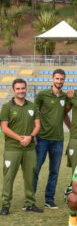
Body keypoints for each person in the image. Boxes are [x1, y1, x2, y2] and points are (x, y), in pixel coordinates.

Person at [0, 79, 42, 215]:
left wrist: (30, 137)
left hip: (29, 149)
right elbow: (4, 128)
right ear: (14, 90)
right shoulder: (7, 107)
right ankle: (5, 205)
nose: (21, 91)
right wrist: (20, 138)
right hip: (12, 148)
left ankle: (30, 204)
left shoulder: (32, 106)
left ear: (26, 89)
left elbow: (37, 125)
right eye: (18, 89)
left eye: (23, 88)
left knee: (30, 177)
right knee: (8, 177)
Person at [34, 69, 68, 209]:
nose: (59, 81)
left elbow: (65, 115)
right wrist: (34, 134)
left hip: (58, 140)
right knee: (35, 169)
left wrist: (73, 130)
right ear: (52, 79)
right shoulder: (42, 95)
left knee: (54, 171)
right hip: (42, 138)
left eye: (61, 79)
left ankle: (49, 199)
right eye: (57, 78)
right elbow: (34, 113)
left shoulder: (65, 97)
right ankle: (30, 200)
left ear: (64, 80)